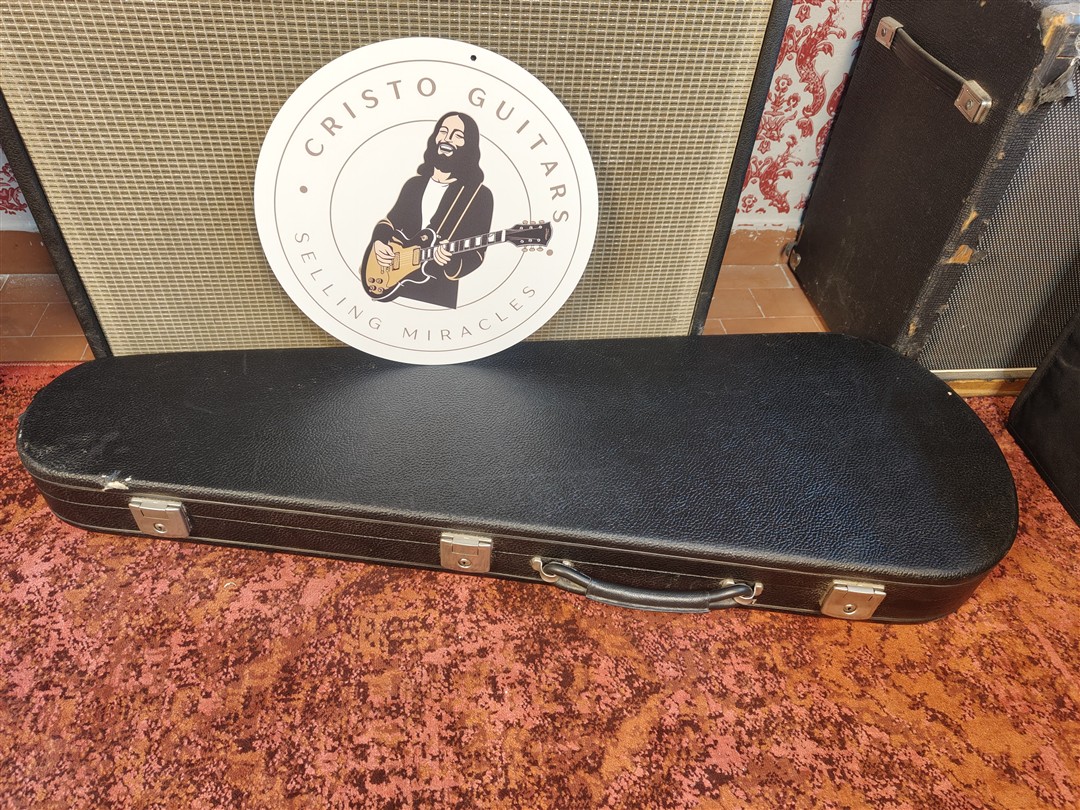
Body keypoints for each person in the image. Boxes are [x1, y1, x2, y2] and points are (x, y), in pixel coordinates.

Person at [367, 112, 494, 308]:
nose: (447, 139)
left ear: (469, 145)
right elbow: (390, 222)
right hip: (391, 279)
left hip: (437, 295)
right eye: (443, 131)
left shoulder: (479, 195)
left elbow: (477, 255)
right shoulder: (414, 184)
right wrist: (379, 241)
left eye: (458, 135)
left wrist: (451, 261)